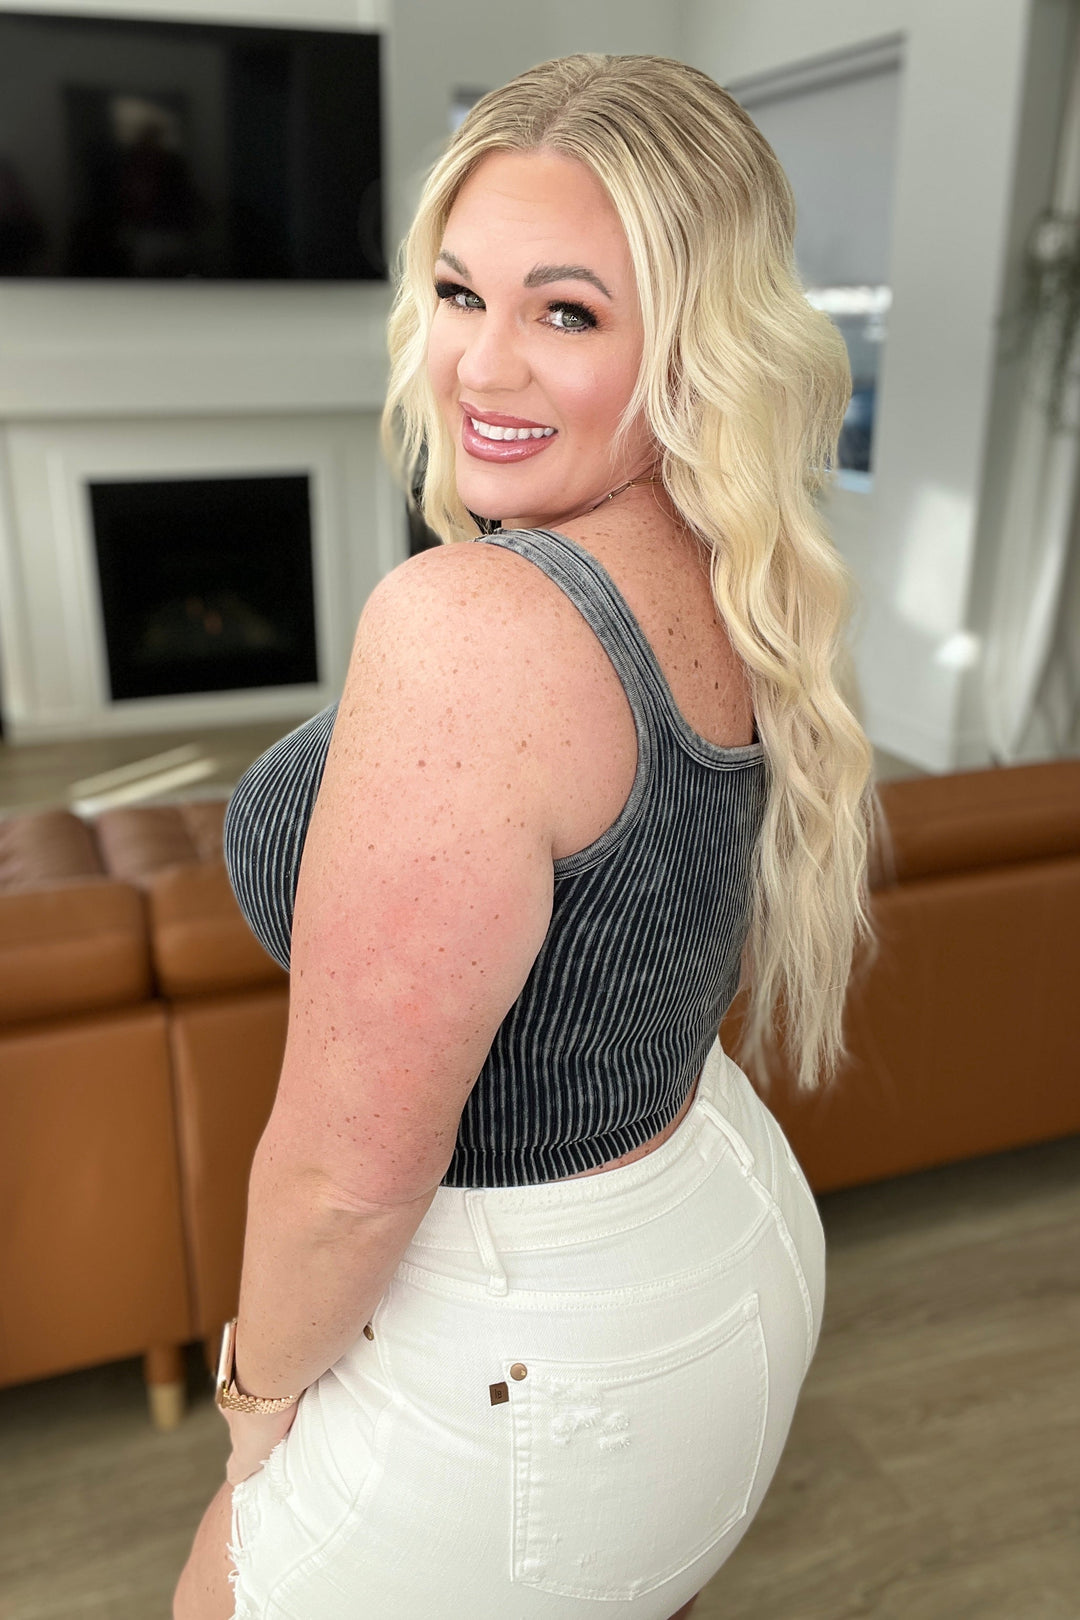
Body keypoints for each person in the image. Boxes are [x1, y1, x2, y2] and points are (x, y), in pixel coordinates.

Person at [174, 51, 879, 1620]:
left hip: (531, 1357)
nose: (481, 367)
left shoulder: (469, 629)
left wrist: (252, 1397)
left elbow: (346, 1182)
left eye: (567, 313)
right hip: (716, 1227)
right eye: (458, 292)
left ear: (694, 340)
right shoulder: (738, 559)